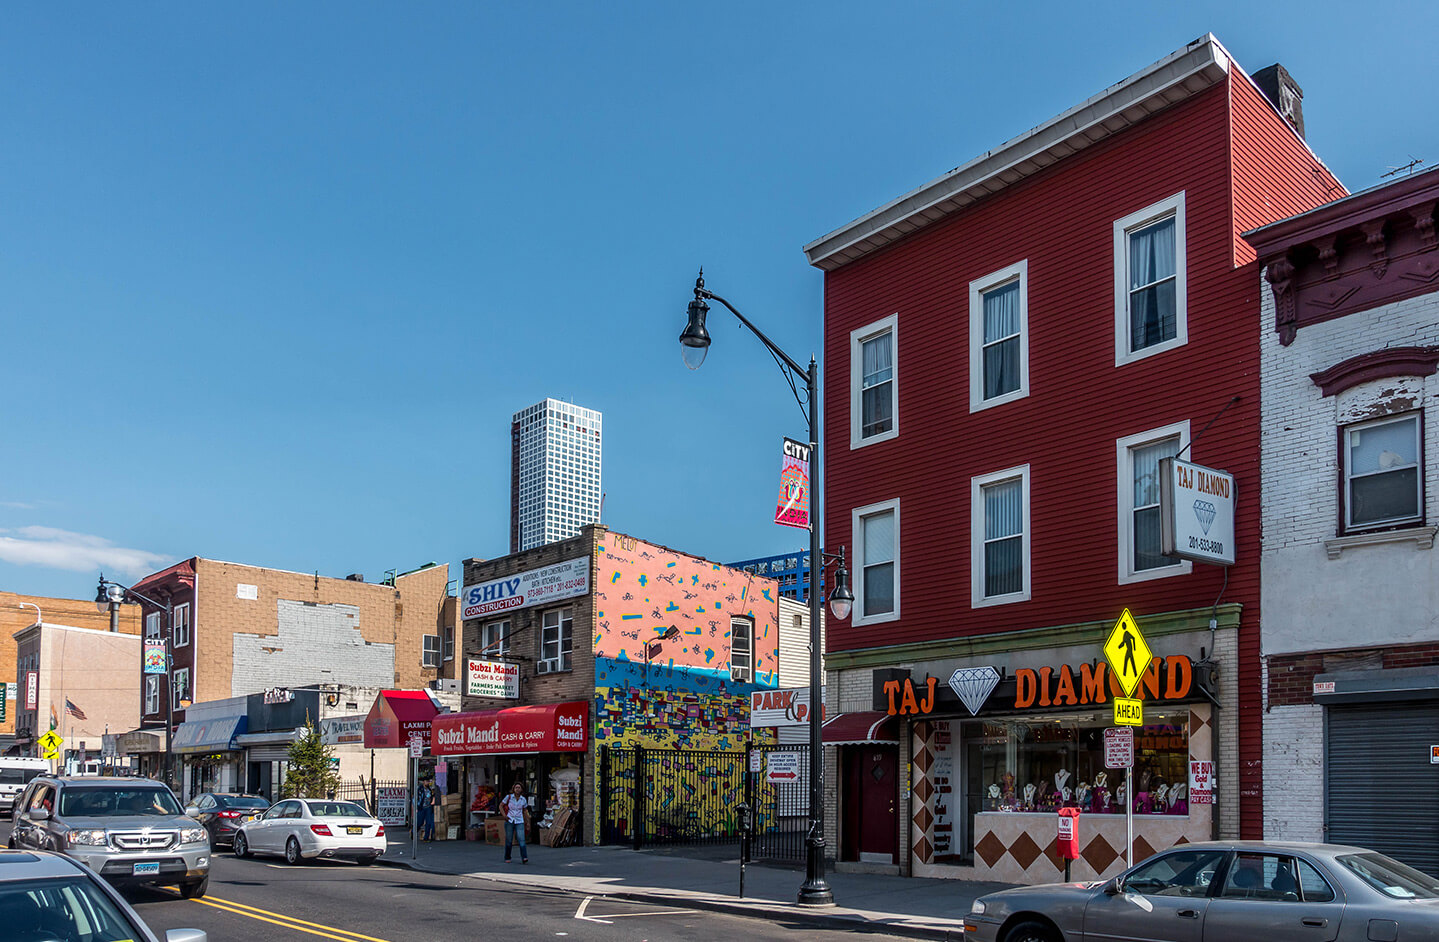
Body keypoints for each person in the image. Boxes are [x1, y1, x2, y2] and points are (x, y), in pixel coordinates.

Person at [500, 781, 530, 864]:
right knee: (509, 839)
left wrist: (527, 822)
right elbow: (501, 806)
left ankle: (524, 857)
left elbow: (525, 811)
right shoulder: (509, 797)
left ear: (521, 789)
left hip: (519, 820)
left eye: (519, 788)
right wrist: (504, 815)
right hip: (509, 820)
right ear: (513, 789)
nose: (517, 789)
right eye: (516, 787)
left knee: (521, 839)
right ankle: (507, 856)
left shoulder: (523, 799)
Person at [414, 776, 438, 842]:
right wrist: (416, 807)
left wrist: (432, 800)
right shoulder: (420, 789)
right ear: (423, 782)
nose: (428, 783)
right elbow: (417, 798)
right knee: (420, 822)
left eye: (428, 781)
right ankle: (413, 831)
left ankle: (426, 838)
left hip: (428, 807)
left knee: (428, 822)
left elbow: (432, 796)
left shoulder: (429, 789)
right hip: (421, 807)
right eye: (427, 781)